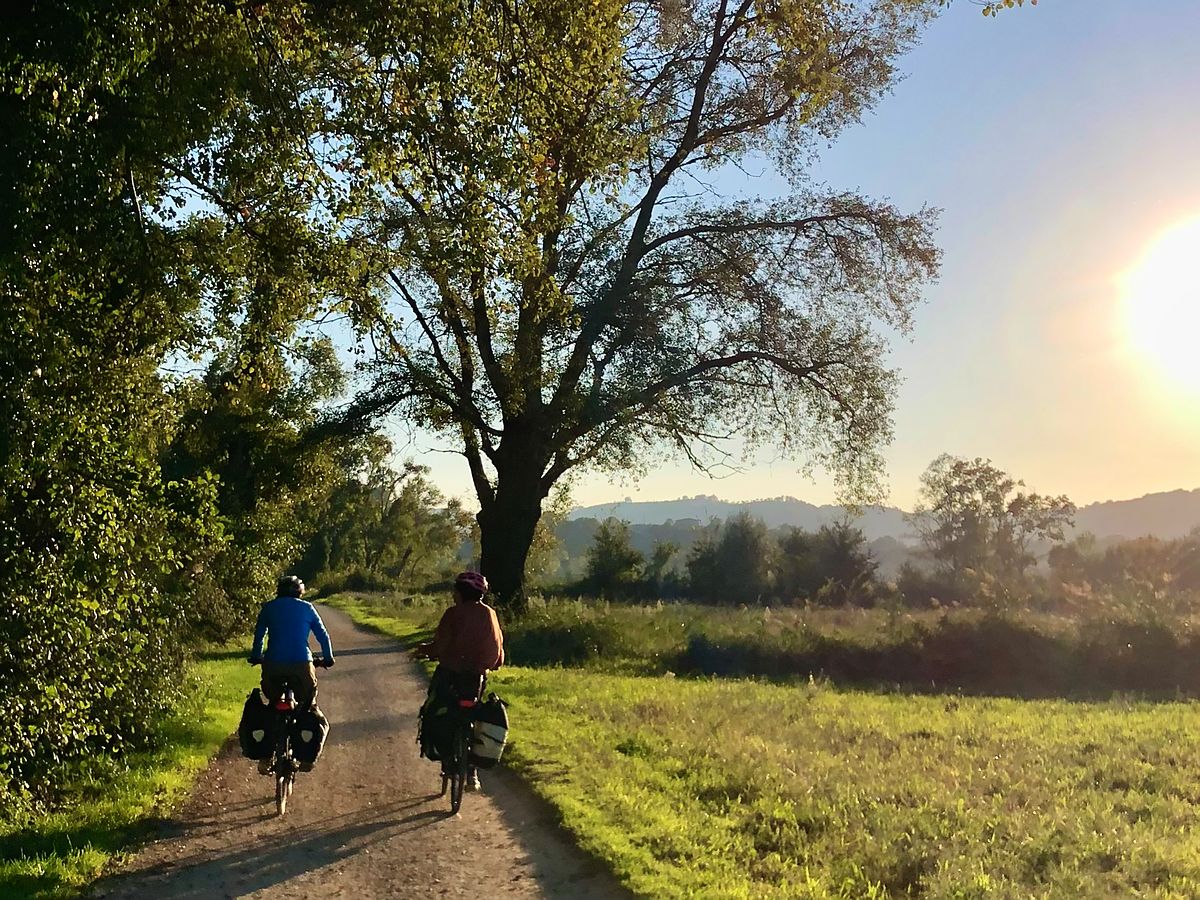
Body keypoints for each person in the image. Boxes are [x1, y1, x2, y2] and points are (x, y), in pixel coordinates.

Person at [415, 570, 504, 791]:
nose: (453, 594)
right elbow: (498, 652)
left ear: (461, 592)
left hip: (450, 673)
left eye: (455, 590)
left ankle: (446, 756)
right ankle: (472, 773)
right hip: (476, 677)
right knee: (472, 713)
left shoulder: (453, 614)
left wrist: (425, 651)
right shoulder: (490, 614)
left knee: (438, 706)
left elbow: (441, 645)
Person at [249, 575, 335, 773]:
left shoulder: (269, 608)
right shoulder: (307, 608)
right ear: (300, 592)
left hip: (273, 666)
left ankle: (265, 756)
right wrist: (328, 658)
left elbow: (259, 635)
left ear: (278, 591)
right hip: (301, 665)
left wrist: (256, 656)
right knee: (309, 706)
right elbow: (323, 636)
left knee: (272, 706)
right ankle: (307, 757)